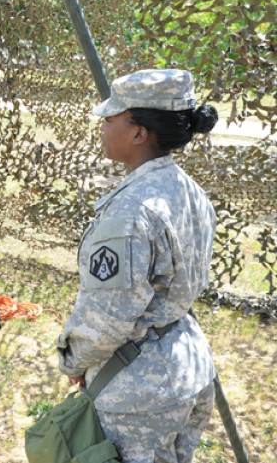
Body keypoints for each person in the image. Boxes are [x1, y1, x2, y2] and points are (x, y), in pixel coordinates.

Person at [56, 69, 219, 463]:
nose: (102, 126)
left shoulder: (131, 214)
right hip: (189, 370)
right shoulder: (187, 190)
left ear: (138, 132)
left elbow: (107, 318)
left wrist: (74, 361)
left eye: (111, 118)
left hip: (139, 396)